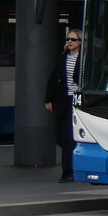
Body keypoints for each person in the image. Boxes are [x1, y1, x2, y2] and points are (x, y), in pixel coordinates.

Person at [44, 27, 82, 182]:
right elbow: (53, 80)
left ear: (80, 42)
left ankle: (68, 173)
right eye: (68, 39)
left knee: (68, 139)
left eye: (73, 39)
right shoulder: (62, 58)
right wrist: (48, 99)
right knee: (61, 137)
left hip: (78, 101)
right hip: (63, 101)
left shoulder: (85, 58)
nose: (70, 42)